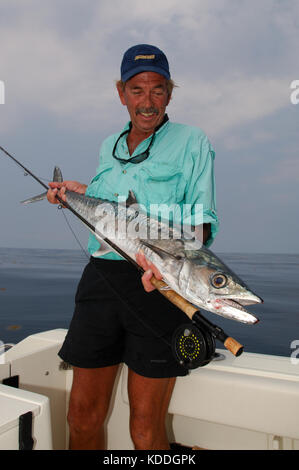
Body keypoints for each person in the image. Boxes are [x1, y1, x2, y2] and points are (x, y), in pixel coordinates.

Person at [47, 44, 219, 450]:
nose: (147, 101)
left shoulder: (192, 142)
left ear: (169, 94)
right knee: (82, 417)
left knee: (144, 430)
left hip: (159, 285)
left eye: (157, 90)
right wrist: (77, 192)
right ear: (121, 93)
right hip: (101, 280)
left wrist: (178, 267)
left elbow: (201, 222)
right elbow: (114, 210)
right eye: (136, 90)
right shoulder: (109, 144)